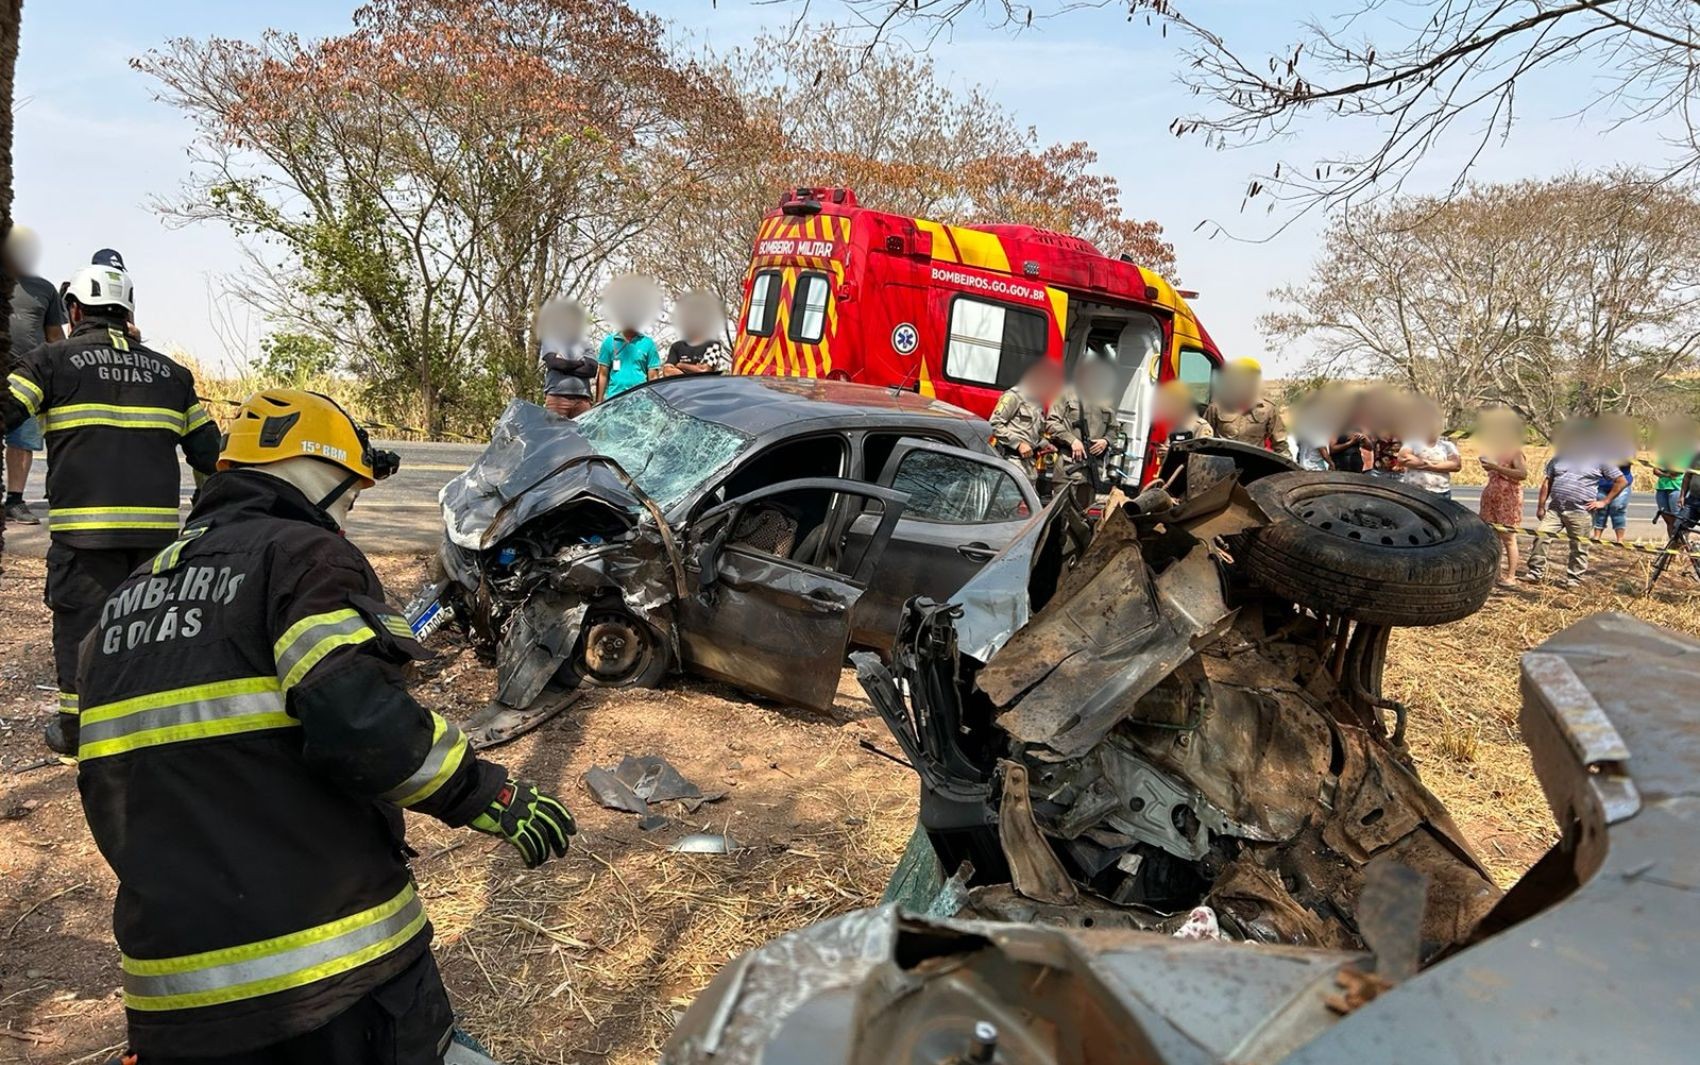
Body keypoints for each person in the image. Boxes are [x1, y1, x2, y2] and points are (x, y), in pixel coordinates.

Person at [74, 389, 575, 1064]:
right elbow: (359, 718)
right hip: (330, 972)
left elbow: (105, 780)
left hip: (173, 998)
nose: (349, 514)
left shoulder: (124, 602)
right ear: (319, 472)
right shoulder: (301, 557)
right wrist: (487, 793)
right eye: (352, 495)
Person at [3, 264, 218, 754]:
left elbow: (8, 411)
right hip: (156, 540)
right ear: (128, 314)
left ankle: (79, 730)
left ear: (74, 311)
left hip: (85, 536)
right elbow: (209, 454)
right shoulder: (173, 374)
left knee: (82, 626)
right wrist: (207, 514)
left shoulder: (49, 362)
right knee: (150, 626)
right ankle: (148, 725)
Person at [4, 225, 67, 525]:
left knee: (23, 439)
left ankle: (14, 501)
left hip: (29, 378)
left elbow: (55, 337)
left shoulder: (45, 289)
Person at [1524, 421, 1627, 589]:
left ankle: (1573, 579)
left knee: (1578, 547)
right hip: (1555, 510)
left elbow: (1621, 481)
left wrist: (1604, 501)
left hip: (1581, 512)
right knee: (1541, 537)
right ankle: (1535, 572)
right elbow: (1547, 482)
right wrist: (1541, 506)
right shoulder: (1558, 459)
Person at [1045, 356, 1119, 494]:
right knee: (1062, 512)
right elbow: (1051, 423)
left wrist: (1105, 441)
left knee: (1084, 513)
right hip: (1069, 466)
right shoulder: (1065, 394)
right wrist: (1072, 440)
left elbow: (1114, 429)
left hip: (1092, 470)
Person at [1475, 407, 1528, 589]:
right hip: (1492, 496)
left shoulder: (1515, 451)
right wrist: (1488, 465)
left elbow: (1522, 474)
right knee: (1491, 536)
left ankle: (1511, 576)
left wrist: (1497, 468)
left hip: (1509, 499)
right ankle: (1495, 574)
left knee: (1508, 538)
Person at [990, 359, 1061, 486]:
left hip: (1029, 465)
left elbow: (1035, 435)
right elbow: (995, 424)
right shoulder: (1013, 395)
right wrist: (1018, 444)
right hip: (1011, 460)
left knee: (1028, 503)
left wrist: (1045, 444)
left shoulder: (1037, 402)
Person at [1203, 356, 1288, 457]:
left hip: (1253, 467)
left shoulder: (1267, 409)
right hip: (1222, 466)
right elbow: (1204, 440)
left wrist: (1292, 471)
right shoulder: (1217, 406)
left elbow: (1281, 445)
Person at [595, 275, 663, 402]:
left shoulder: (648, 344)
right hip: (613, 400)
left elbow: (653, 377)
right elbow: (603, 374)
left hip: (640, 402)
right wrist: (598, 402)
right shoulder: (609, 342)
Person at [536, 298, 597, 418]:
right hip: (557, 398)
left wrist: (564, 365)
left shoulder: (585, 343)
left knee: (582, 436)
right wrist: (580, 363)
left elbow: (592, 370)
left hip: (582, 400)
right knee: (556, 436)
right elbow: (553, 363)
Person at [1394, 399, 1462, 499]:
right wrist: (1439, 465)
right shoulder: (1413, 442)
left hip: (1441, 493)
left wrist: (1427, 465)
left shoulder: (1447, 445)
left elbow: (1456, 465)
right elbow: (1403, 458)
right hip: (1414, 492)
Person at [1588, 414, 1635, 546]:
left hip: (1622, 483)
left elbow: (1630, 460)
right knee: (1599, 509)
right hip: (1602, 482)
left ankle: (1619, 540)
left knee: (1618, 509)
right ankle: (1597, 537)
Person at [1651, 416, 1700, 538]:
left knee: (1680, 521)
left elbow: (1677, 470)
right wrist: (1667, 474)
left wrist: (1667, 470)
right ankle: (1673, 550)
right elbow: (1656, 469)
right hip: (1673, 491)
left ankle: (1686, 551)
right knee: (1675, 524)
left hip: (1675, 488)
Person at [662, 291, 731, 376]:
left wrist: (680, 365)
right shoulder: (676, 346)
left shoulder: (713, 345)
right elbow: (667, 371)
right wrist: (693, 370)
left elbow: (704, 370)